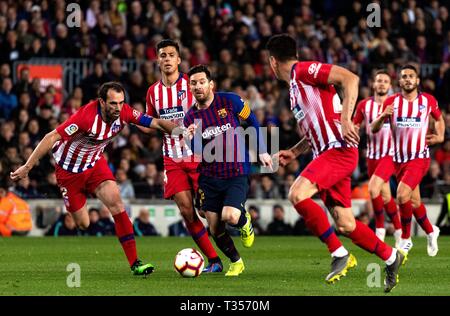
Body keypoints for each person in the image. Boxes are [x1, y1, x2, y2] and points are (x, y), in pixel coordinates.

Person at [267, 34, 404, 293]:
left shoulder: (304, 70)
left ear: (273, 61)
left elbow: (350, 78)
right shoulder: (294, 90)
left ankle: (339, 253)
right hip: (326, 154)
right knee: (345, 224)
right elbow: (316, 128)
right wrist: (295, 152)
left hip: (339, 150)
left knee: (297, 194)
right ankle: (390, 256)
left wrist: (346, 118)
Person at [10, 81, 180, 276]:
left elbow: (156, 123)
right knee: (83, 223)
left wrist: (182, 132)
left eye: (121, 103)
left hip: (94, 164)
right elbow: (51, 137)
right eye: (113, 103)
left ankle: (135, 263)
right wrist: (27, 167)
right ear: (101, 101)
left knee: (117, 205)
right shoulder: (85, 117)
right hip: (69, 172)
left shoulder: (124, 112)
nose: (118, 108)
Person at [184, 64, 273, 276]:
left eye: (202, 82)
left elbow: (251, 120)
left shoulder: (231, 101)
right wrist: (190, 139)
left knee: (230, 216)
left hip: (236, 171)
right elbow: (199, 153)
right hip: (210, 176)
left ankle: (245, 221)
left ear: (211, 84)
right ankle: (236, 261)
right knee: (214, 226)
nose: (198, 86)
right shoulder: (189, 119)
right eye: (194, 83)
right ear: (190, 87)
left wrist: (261, 150)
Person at [144, 39, 222, 273]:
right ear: (158, 60)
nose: (167, 59)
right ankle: (214, 261)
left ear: (179, 59)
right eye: (162, 55)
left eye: (171, 55)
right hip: (172, 158)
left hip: (199, 155)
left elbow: (209, 104)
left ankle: (236, 228)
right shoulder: (153, 92)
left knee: (209, 212)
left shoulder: (191, 83)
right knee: (187, 212)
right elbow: (151, 122)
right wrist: (135, 120)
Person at [371, 64, 445, 256]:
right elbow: (373, 128)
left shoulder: (428, 100)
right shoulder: (391, 102)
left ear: (417, 80)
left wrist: (440, 136)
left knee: (402, 195)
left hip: (419, 157)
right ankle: (431, 231)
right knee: (414, 202)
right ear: (400, 81)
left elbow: (439, 119)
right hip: (398, 161)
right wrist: (381, 117)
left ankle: (405, 238)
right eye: (404, 76)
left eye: (411, 76)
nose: (408, 79)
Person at [352, 70, 402, 245]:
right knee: (386, 196)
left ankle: (380, 229)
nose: (381, 84)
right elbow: (355, 125)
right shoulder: (364, 105)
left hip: (390, 155)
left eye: (385, 81)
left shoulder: (397, 104)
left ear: (390, 86)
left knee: (373, 189)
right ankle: (398, 229)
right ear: (373, 84)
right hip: (372, 156)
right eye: (379, 81)